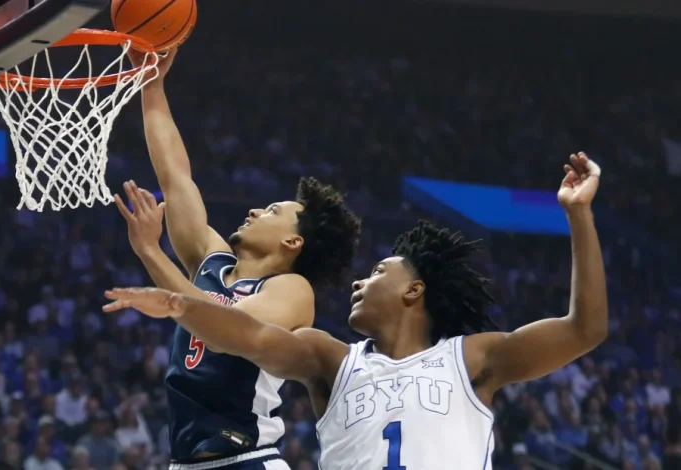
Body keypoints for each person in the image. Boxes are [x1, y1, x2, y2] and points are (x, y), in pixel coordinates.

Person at [105, 153, 608, 469]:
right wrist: (179, 300)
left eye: (378, 271)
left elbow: (585, 329)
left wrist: (579, 216)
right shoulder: (330, 359)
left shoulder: (471, 359)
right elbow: (247, 336)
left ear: (414, 290)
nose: (358, 281)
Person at [117, 48, 361, 469]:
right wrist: (151, 85)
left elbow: (223, 330)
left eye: (272, 212)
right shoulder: (211, 261)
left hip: (248, 458)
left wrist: (151, 253)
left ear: (293, 242)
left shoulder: (291, 289)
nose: (254, 210)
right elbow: (175, 176)